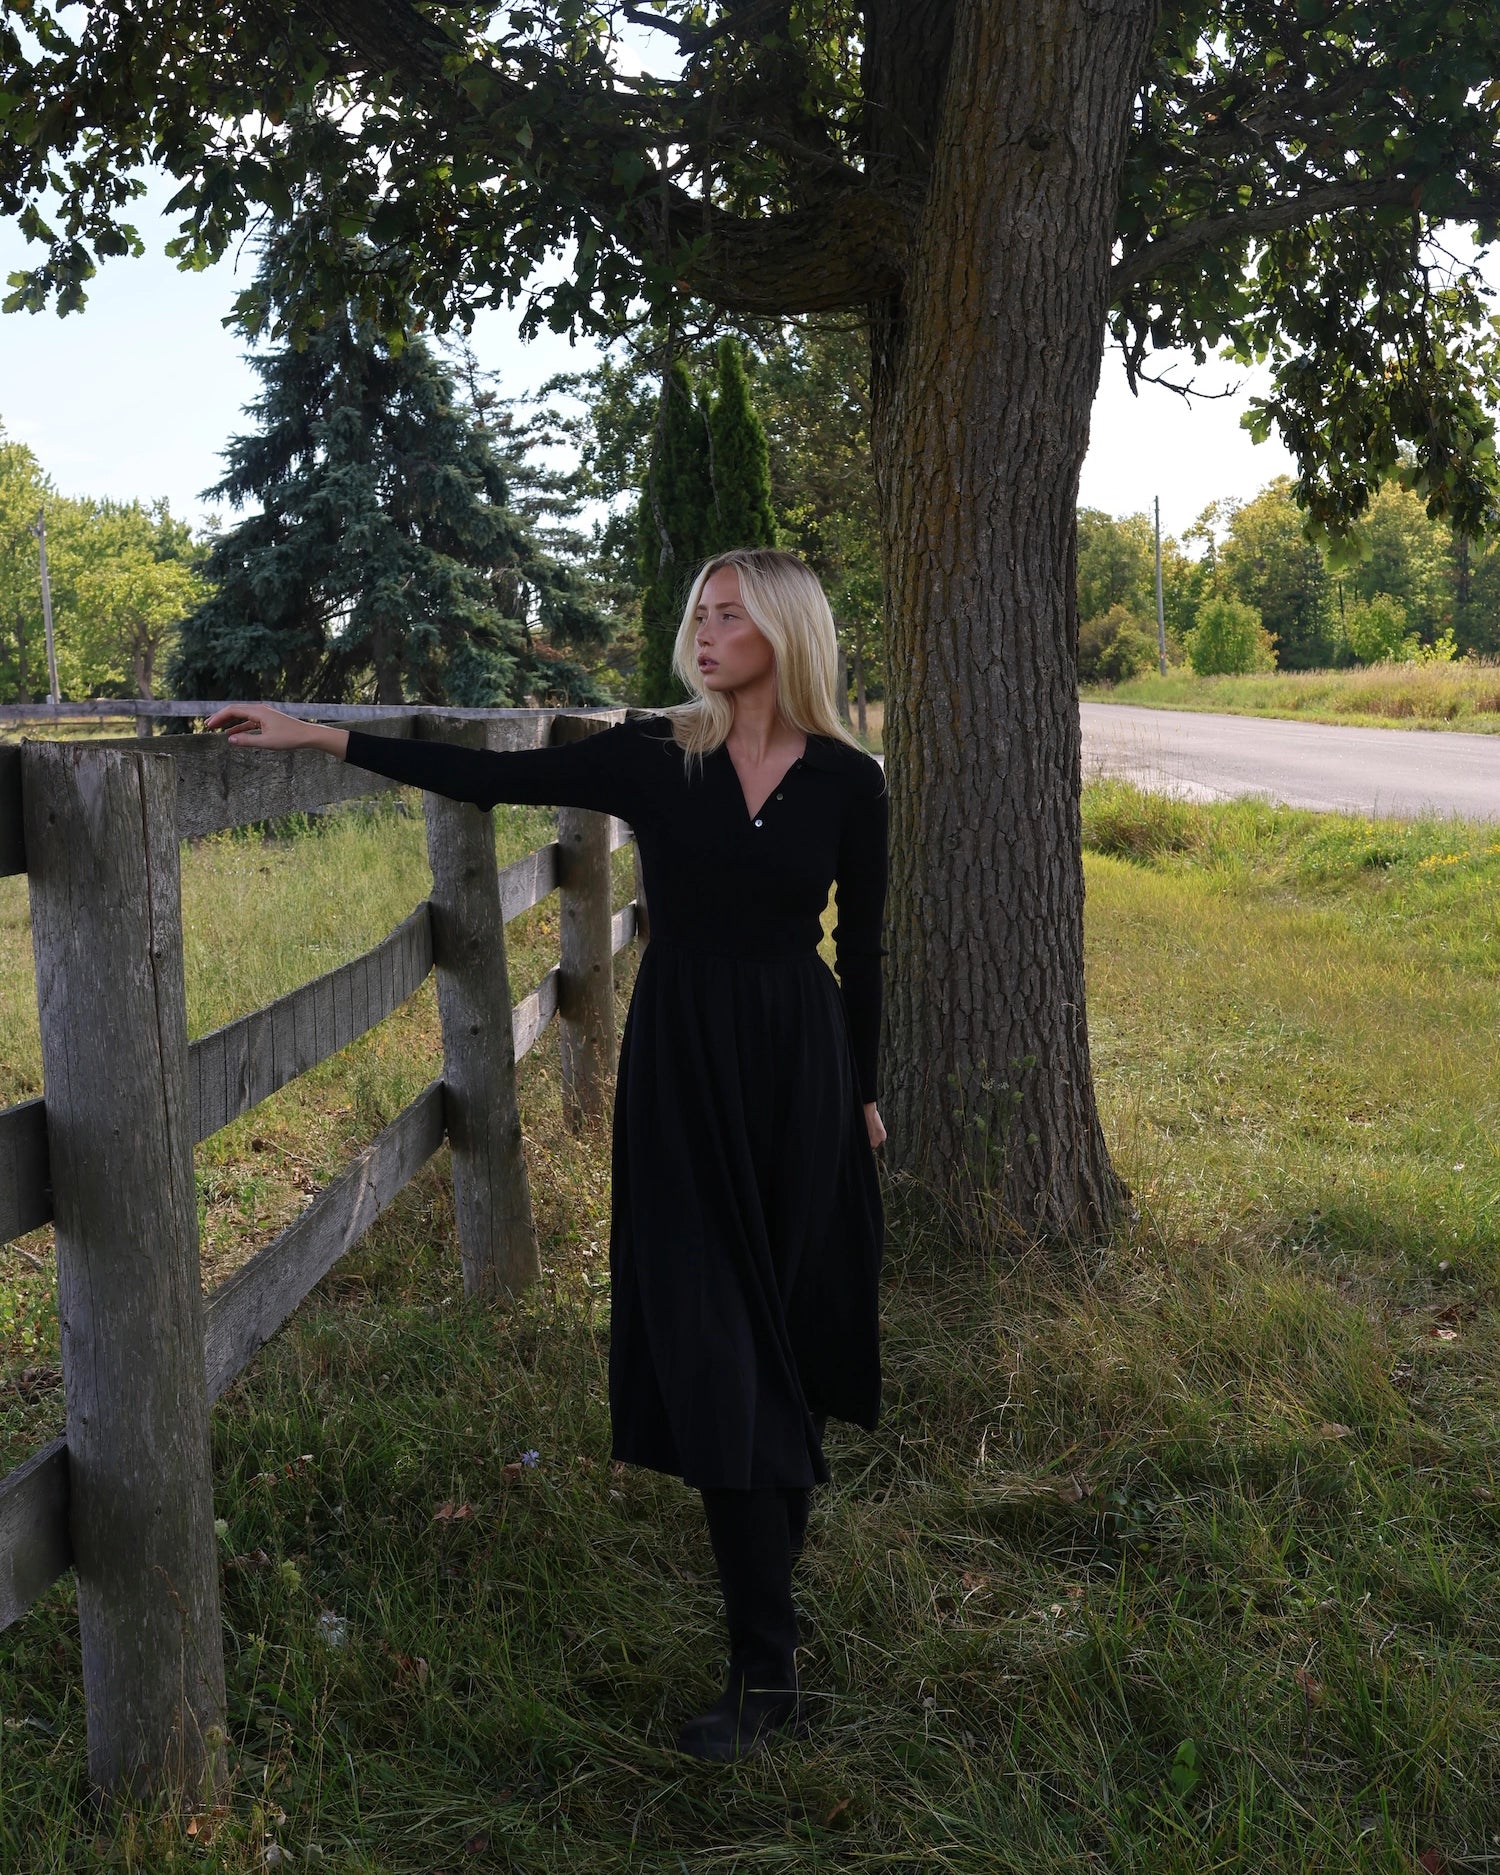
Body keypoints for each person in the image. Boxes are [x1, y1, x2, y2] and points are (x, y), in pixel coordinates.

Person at [204, 546, 889, 1762]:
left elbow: (868, 954)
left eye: (732, 616)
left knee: (779, 1332)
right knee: (718, 1339)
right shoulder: (650, 756)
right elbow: (485, 777)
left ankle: (771, 1582)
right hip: (684, 1077)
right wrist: (319, 738)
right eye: (701, 614)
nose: (707, 632)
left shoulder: (850, 782)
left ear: (789, 632)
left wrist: (868, 1092)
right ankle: (767, 1670)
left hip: (803, 1076)